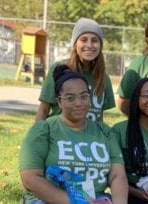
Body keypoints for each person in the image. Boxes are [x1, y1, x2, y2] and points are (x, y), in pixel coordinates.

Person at [20, 64, 128, 204]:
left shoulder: (105, 132)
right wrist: (77, 202)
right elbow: (30, 179)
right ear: (59, 101)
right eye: (70, 98)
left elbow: (117, 175)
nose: (79, 103)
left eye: (84, 96)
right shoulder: (44, 130)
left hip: (96, 199)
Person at [36, 17, 115, 122]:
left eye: (95, 40)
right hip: (59, 135)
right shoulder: (60, 70)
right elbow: (44, 109)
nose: (89, 45)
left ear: (100, 46)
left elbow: (99, 117)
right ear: (75, 44)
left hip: (88, 137)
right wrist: (37, 136)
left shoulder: (103, 78)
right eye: (83, 40)